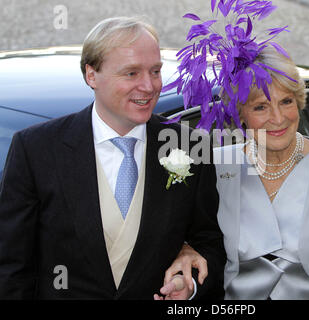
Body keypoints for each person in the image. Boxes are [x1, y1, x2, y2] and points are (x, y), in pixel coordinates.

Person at [163, 0, 309, 300]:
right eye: (261, 106)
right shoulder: (219, 165)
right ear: (240, 114)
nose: (278, 118)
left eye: (286, 101)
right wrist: (185, 251)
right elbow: (198, 240)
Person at [0, 16, 225, 300]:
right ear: (91, 75)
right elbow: (12, 267)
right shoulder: (36, 149)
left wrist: (189, 284)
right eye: (131, 73)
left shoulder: (190, 145)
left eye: (155, 71)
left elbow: (210, 244)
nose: (149, 86)